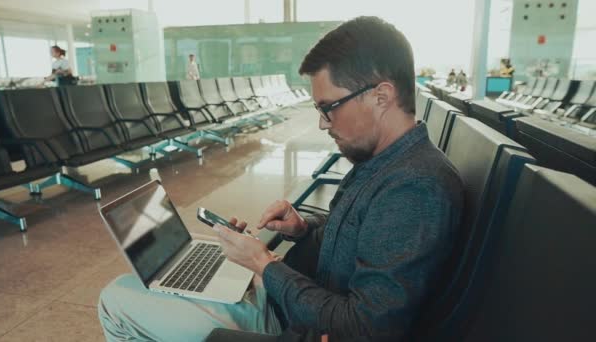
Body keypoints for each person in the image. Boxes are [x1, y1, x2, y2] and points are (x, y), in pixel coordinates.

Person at [98, 16, 464, 341]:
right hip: (293, 298)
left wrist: (264, 265)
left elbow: (364, 327)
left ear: (381, 96)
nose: (323, 123)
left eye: (328, 108)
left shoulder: (416, 187)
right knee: (134, 284)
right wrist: (304, 229)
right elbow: (368, 240)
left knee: (115, 301)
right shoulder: (385, 161)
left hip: (290, 323)